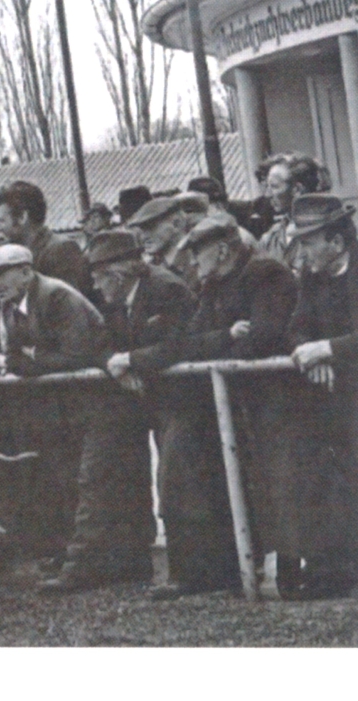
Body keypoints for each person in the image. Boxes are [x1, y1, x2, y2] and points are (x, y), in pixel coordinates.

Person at [147, 213, 298, 600]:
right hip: (237, 403)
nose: (193, 263)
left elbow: (266, 336)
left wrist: (224, 345)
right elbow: (188, 340)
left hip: (279, 402)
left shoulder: (265, 273)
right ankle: (240, 567)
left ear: (223, 249)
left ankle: (293, 570)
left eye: (197, 253)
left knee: (283, 485)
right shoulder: (212, 284)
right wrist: (226, 337)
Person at [39, 231, 194, 594]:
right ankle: (127, 561)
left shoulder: (165, 289)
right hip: (141, 397)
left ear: (120, 271)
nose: (92, 282)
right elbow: (96, 341)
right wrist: (114, 363)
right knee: (114, 472)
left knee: (177, 480)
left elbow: (184, 342)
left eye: (98, 273)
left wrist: (133, 361)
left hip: (183, 398)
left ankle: (190, 572)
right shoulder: (113, 297)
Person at [0, 244, 106, 566]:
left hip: (92, 402)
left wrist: (16, 361)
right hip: (53, 405)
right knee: (55, 477)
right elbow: (10, 350)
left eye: (0, 275)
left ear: (25, 271)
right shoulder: (5, 304)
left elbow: (76, 355)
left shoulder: (56, 296)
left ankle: (88, 558)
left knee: (85, 481)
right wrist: (7, 360)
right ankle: (64, 551)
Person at [271, 194, 358, 598]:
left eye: (308, 242)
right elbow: (295, 328)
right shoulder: (312, 277)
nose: (300, 252)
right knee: (315, 473)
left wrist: (329, 350)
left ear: (337, 243)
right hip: (336, 398)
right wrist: (310, 352)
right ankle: (331, 569)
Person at [0, 180, 92, 297]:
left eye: (1, 221)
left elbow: (66, 307)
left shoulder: (60, 250)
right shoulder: (15, 255)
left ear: (22, 217)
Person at [255, 152, 333, 271]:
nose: (268, 194)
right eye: (267, 187)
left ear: (297, 190)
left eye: (274, 186)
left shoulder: (326, 232)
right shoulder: (271, 238)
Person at [126, 192, 209, 288]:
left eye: (151, 228)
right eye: (142, 230)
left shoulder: (200, 262)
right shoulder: (148, 268)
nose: (144, 237)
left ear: (176, 224)